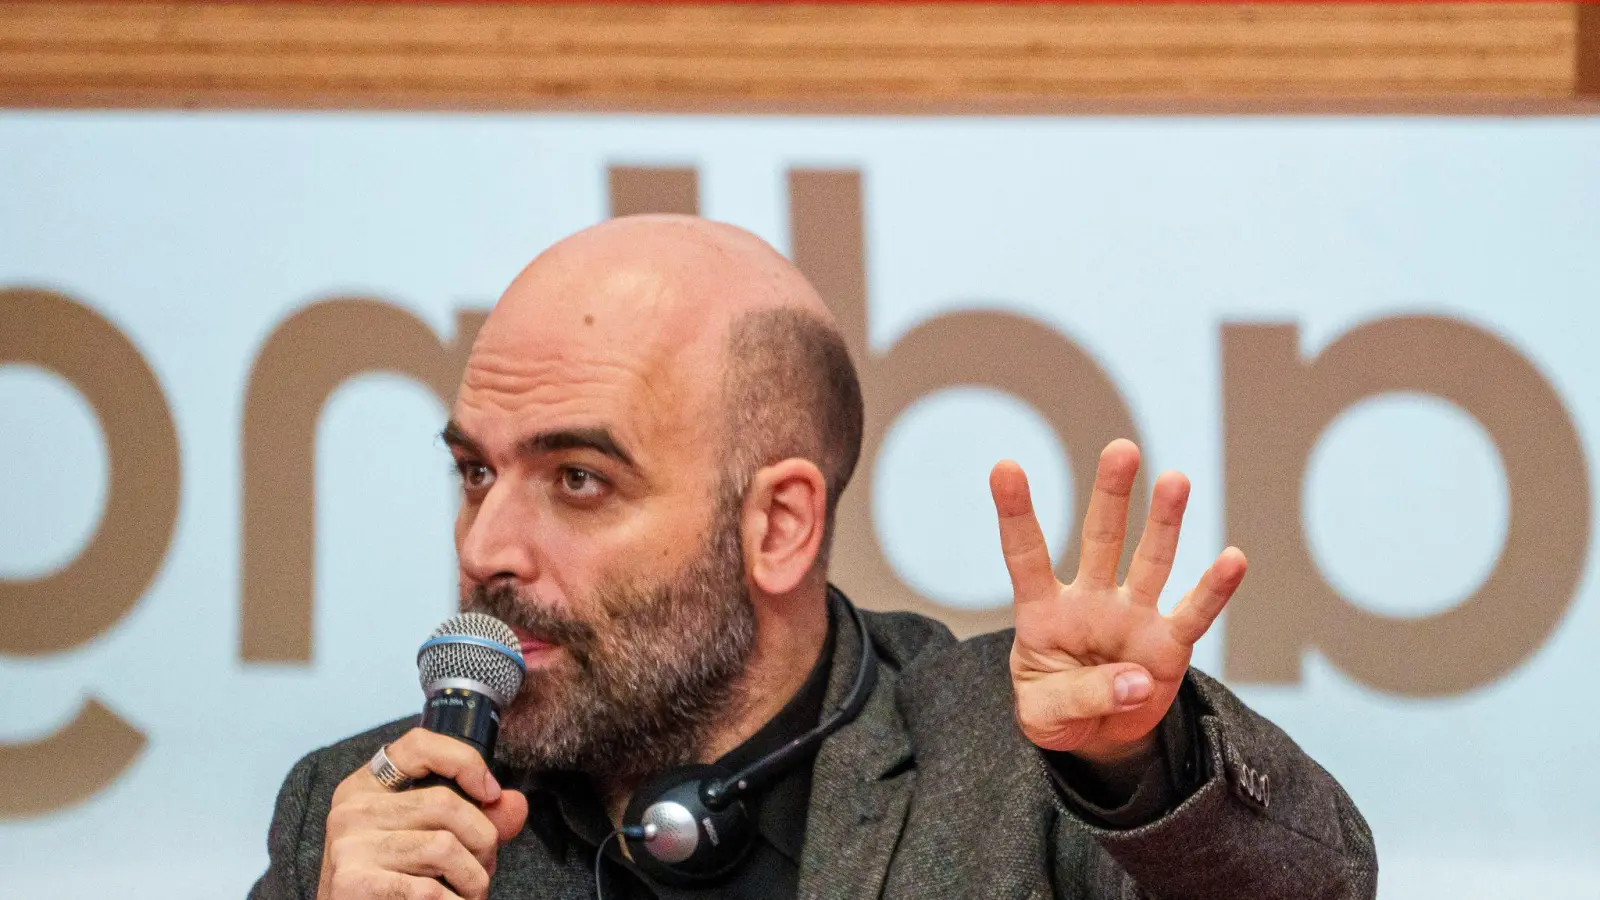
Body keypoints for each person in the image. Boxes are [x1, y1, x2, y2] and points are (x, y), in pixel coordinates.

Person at [250, 216, 1376, 900]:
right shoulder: (358, 823)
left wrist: (1139, 770)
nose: (487, 547)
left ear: (778, 525)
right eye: (476, 473)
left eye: (578, 480)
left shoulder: (1018, 771)